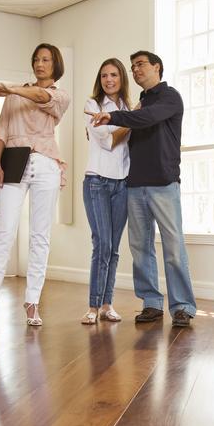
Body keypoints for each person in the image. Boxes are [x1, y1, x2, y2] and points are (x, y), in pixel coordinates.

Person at [86, 50, 196, 327]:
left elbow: (147, 119)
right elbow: (125, 134)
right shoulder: (139, 103)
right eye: (133, 66)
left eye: (141, 65)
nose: (135, 70)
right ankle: (151, 303)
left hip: (164, 184)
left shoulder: (169, 97)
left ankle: (182, 306)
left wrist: (112, 117)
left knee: (173, 247)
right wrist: (118, 118)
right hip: (134, 185)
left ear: (157, 67)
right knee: (140, 248)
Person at [0, 43, 70, 332]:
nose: (40, 63)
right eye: (36, 59)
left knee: (40, 236)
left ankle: (32, 301)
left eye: (46, 59)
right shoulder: (14, 95)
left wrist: (13, 89)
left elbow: (42, 96)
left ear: (55, 65)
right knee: (4, 232)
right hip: (13, 164)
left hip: (46, 165)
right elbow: (1, 131)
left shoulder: (60, 95)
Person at [81, 59, 132, 325]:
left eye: (113, 75)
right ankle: (92, 306)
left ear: (122, 77)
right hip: (97, 182)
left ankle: (107, 305)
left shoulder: (127, 107)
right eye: (104, 76)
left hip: (123, 183)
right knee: (102, 245)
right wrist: (133, 120)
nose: (109, 80)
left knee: (114, 249)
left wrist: (130, 116)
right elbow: (110, 141)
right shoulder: (93, 106)